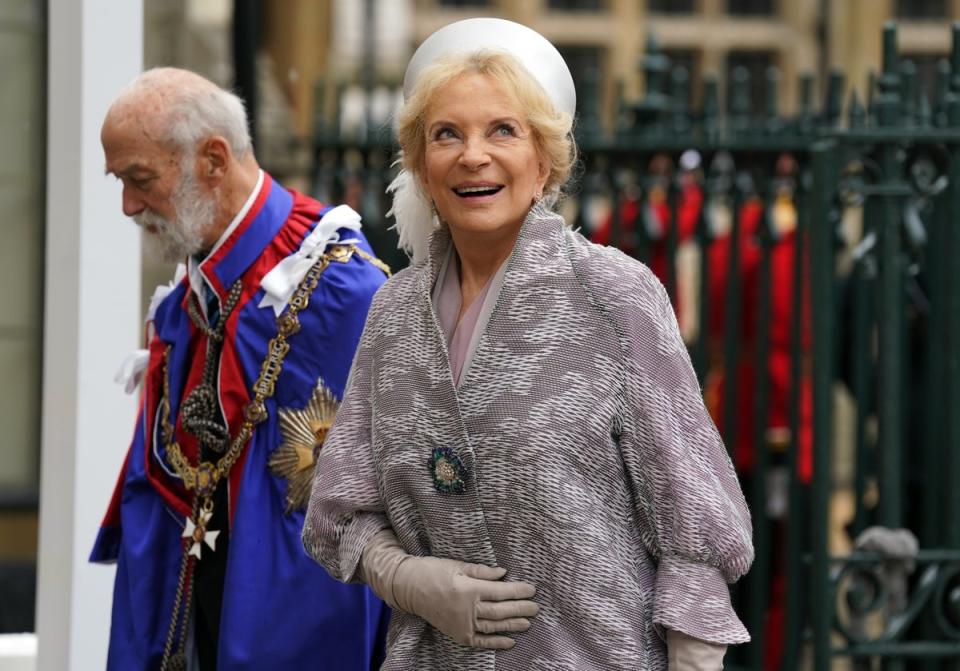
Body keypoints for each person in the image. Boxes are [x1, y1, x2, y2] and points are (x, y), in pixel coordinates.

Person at [302, 18, 753, 671]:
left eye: (502, 131)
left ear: (544, 160)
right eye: (446, 134)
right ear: (423, 168)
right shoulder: (395, 310)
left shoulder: (616, 296)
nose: (472, 155)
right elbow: (339, 511)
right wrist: (406, 577)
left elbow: (696, 530)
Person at [90, 68, 390, 670]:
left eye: (139, 178)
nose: (127, 204)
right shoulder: (184, 302)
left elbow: (358, 526)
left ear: (213, 160)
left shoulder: (340, 290)